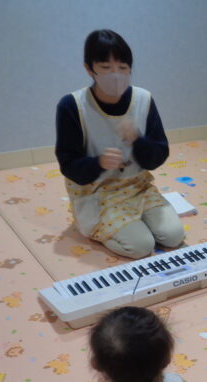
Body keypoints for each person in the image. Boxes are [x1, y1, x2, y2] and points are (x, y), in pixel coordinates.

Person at [56, 29, 184, 259]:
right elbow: (68, 164)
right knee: (141, 246)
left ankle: (136, 222)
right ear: (89, 68)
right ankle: (92, 223)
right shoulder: (72, 106)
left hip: (138, 187)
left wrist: (138, 140)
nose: (115, 75)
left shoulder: (143, 99)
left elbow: (158, 156)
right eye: (106, 68)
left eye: (123, 68)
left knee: (173, 236)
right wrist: (99, 163)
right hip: (97, 194)